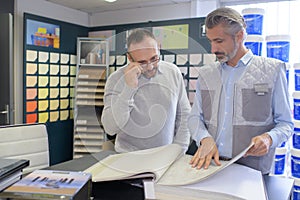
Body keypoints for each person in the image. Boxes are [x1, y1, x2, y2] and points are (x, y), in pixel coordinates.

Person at [188, 7, 293, 174]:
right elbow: (195, 117)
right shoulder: (206, 74)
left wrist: (269, 139)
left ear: (239, 36)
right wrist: (204, 138)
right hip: (211, 167)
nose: (213, 49)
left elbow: (286, 124)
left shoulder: (272, 70)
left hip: (253, 171)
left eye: (219, 41)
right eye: (210, 41)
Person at [101, 28, 191, 153]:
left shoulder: (173, 72)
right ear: (130, 58)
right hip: (128, 157)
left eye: (154, 58)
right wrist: (129, 88)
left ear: (159, 48)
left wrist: (179, 150)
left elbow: (184, 115)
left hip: (165, 156)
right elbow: (110, 128)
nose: (150, 67)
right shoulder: (115, 80)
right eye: (142, 62)